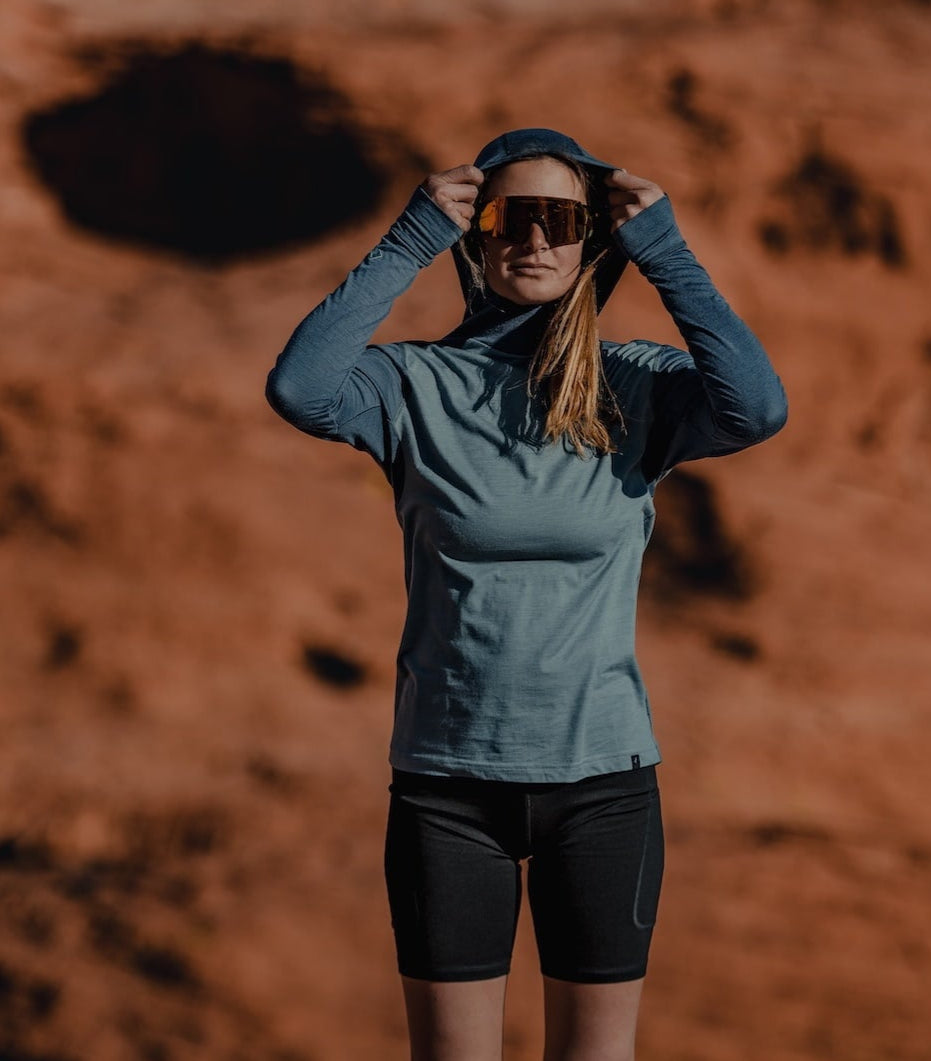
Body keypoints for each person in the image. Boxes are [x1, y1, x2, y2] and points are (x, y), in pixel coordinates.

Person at [265, 127, 787, 1061]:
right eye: (511, 216)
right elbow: (302, 387)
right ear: (478, 232)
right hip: (445, 789)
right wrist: (411, 235)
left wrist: (661, 247)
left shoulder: (637, 384)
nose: (535, 240)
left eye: (562, 219)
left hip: (603, 788)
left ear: (593, 239)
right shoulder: (412, 385)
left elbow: (756, 406)